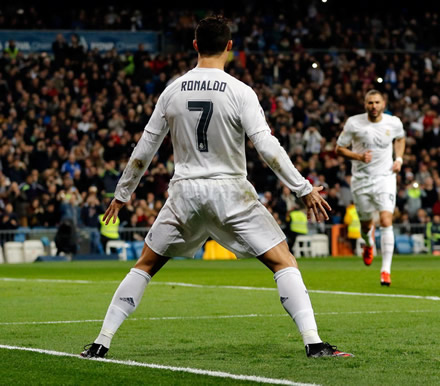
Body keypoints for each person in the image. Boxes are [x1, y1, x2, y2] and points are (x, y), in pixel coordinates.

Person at [81, 16, 353, 359]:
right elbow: (267, 147)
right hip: (230, 192)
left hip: (185, 192)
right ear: (230, 47)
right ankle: (314, 343)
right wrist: (303, 188)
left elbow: (144, 149)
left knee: (146, 265)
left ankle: (101, 343)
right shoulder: (241, 92)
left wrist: (121, 196)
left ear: (195, 46)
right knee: (283, 262)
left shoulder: (172, 91)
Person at [335, 89, 406, 286]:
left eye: (376, 102)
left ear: (383, 104)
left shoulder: (394, 123)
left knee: (385, 220)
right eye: (370, 103)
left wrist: (399, 159)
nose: (373, 106)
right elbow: (338, 149)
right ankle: (369, 243)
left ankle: (386, 271)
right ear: (365, 105)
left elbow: (400, 139)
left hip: (385, 178)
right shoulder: (354, 123)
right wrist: (358, 157)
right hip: (361, 180)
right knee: (366, 225)